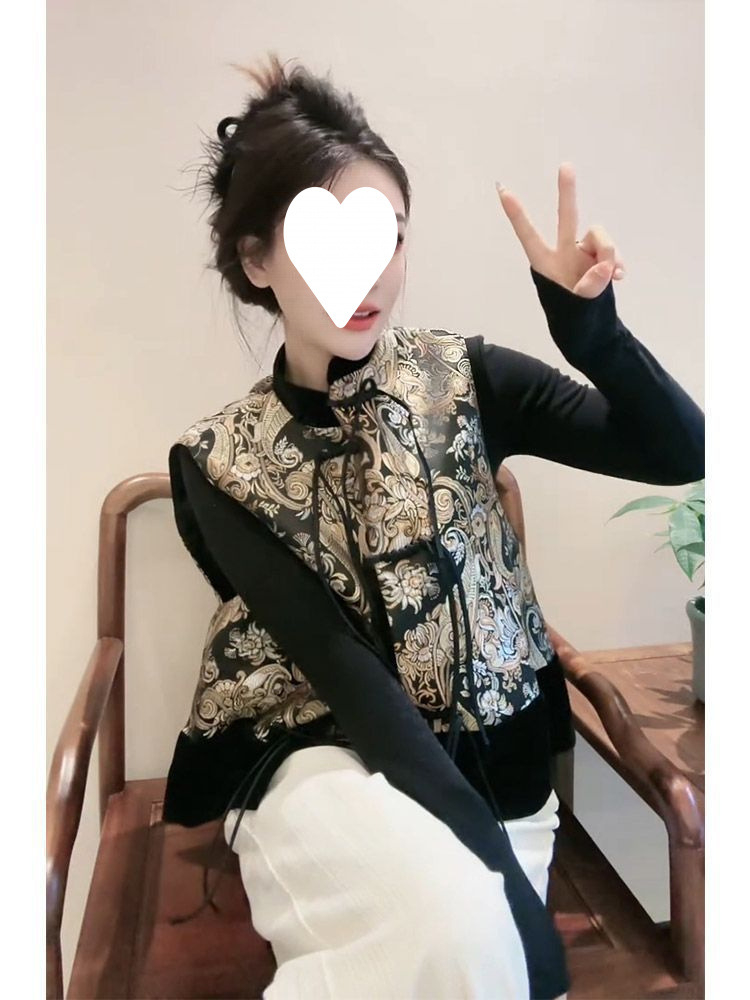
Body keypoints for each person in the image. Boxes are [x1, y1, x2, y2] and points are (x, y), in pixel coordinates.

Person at [163, 51, 704, 1000]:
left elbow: (678, 450)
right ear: (256, 261)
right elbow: (343, 672)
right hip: (315, 757)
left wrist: (592, 331)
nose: (365, 275)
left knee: (461, 952)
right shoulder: (220, 461)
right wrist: (512, 901)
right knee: (452, 929)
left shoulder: (467, 378)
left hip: (497, 768)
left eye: (387, 237)